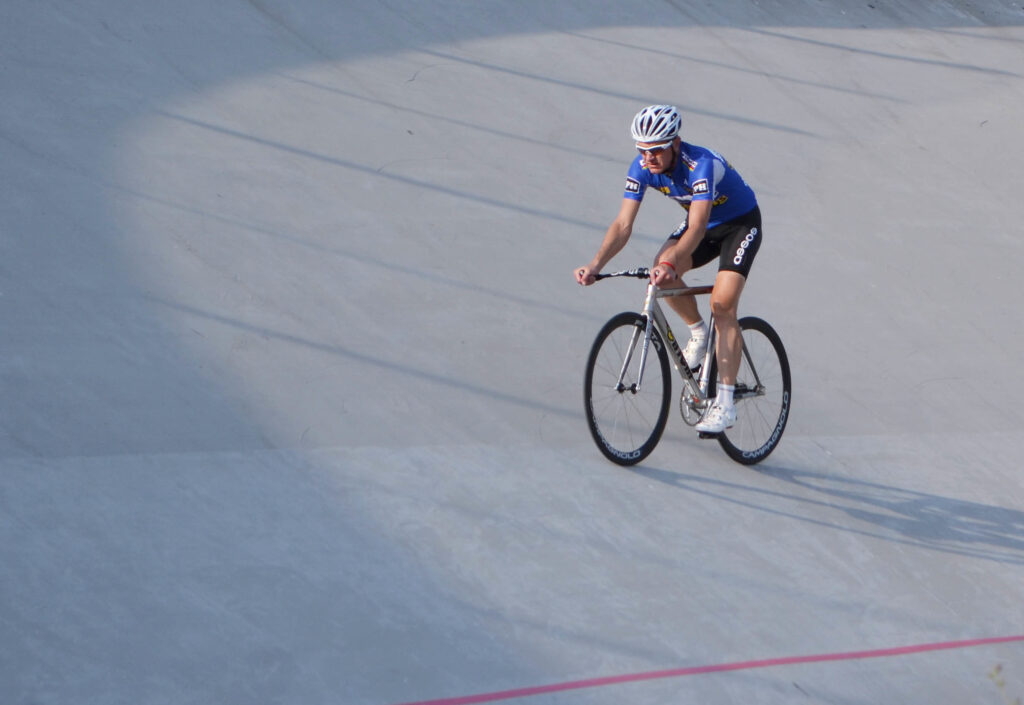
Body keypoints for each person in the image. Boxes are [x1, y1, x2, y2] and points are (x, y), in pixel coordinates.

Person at [575, 105, 763, 435]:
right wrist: (595, 265)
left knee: (722, 305)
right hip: (699, 225)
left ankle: (726, 403)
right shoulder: (642, 167)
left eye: (656, 151)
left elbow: (698, 224)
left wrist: (669, 262)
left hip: (739, 225)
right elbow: (622, 225)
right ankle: (699, 333)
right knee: (659, 277)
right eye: (642, 151)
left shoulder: (700, 164)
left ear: (675, 143)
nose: (648, 158)